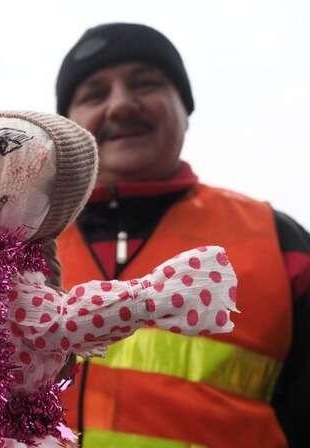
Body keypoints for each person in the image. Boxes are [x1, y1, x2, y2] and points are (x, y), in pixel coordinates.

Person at [54, 23, 310, 448]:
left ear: (185, 108)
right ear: (67, 129)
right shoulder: (18, 250)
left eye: (145, 83)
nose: (120, 105)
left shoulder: (281, 242)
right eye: (94, 94)